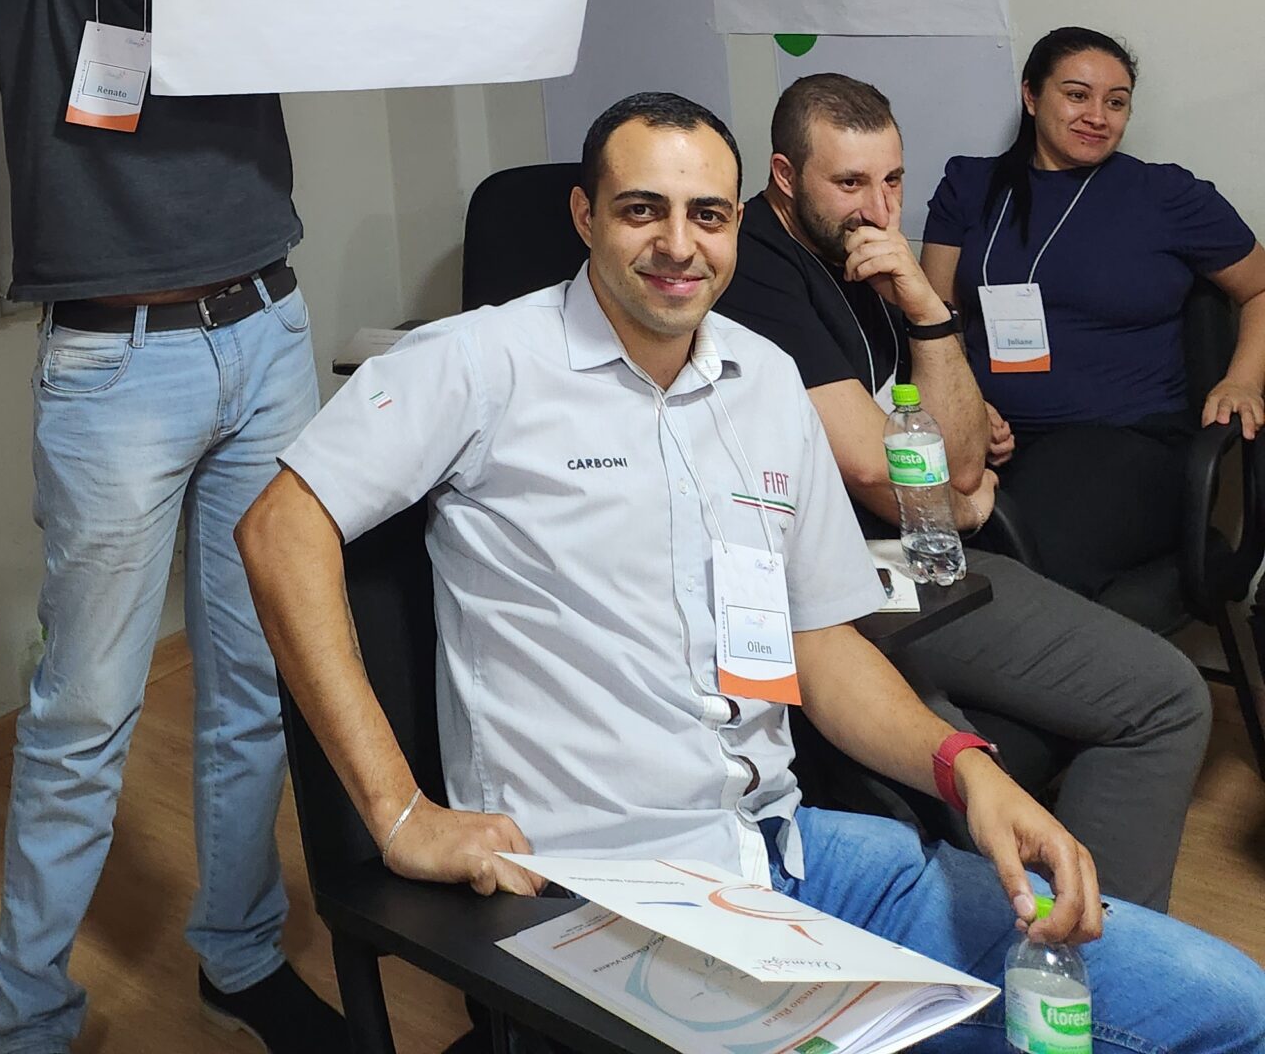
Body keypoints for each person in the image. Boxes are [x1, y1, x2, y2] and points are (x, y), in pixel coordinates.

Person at [0, 0, 612, 1054]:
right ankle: (29, 1020)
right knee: (85, 709)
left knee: (258, 679)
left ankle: (236, 955)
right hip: (115, 368)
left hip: (266, 334)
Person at [237, 91, 1265, 1054]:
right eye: (642, 209)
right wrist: (399, 812)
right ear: (586, 215)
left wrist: (969, 770)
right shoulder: (481, 361)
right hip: (607, 894)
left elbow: (818, 643)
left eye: (708, 215)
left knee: (1228, 1006)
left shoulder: (764, 379)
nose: (679, 244)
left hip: (784, 850)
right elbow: (279, 529)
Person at [718, 71, 1210, 909]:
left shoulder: (868, 255)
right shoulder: (757, 267)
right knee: (1032, 761)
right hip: (837, 589)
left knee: (1165, 698)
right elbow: (886, 473)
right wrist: (956, 489)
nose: (879, 209)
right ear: (785, 177)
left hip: (919, 560)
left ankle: (1100, 959)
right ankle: (1073, 953)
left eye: (893, 180)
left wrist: (925, 308)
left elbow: (966, 457)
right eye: (850, 183)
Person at [920, 27, 1265, 600]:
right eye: (1077, 95)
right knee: (900, 536)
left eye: (1116, 102)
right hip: (984, 437)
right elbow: (934, 318)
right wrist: (967, 408)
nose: (1097, 117)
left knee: (1015, 556)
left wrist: (1243, 380)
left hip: (1125, 444)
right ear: (1032, 96)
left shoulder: (1167, 196)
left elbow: (1260, 289)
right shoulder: (970, 186)